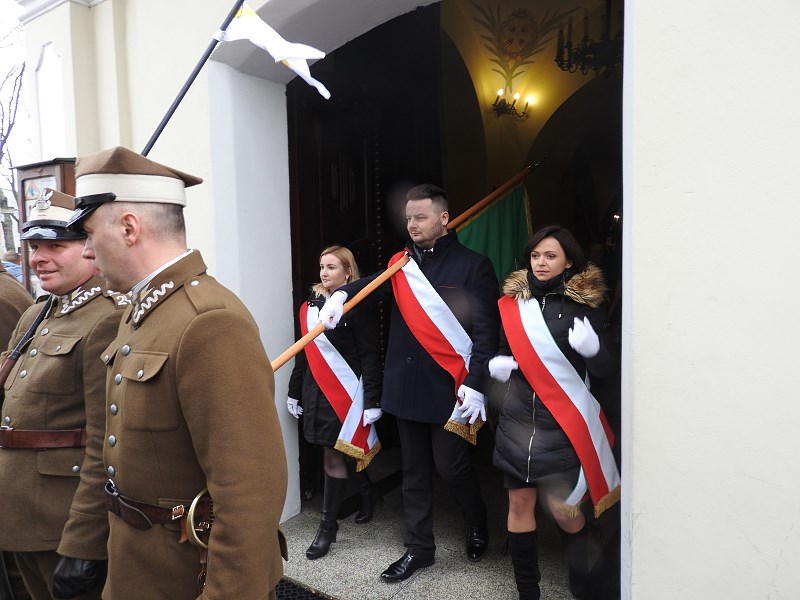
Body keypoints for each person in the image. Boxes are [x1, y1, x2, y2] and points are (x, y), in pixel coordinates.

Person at [66, 146, 288, 600]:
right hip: (139, 568)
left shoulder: (207, 320)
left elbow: (249, 491)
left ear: (129, 228)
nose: (86, 251)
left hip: (188, 576)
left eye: (88, 234)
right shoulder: (144, 312)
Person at [319, 183, 499, 582]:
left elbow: (487, 334)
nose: (412, 225)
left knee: (451, 467)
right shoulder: (402, 264)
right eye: (408, 218)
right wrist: (341, 295)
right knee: (413, 473)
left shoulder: (473, 266)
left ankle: (476, 520)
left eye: (421, 217)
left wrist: (476, 383)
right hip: (405, 386)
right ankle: (419, 549)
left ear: (443, 218)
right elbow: (371, 287)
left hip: (450, 388)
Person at [0, 188, 128, 600]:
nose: (38, 258)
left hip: (61, 521)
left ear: (91, 249)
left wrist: (83, 543)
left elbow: (105, 442)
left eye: (56, 246)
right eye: (35, 247)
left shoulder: (107, 318)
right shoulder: (37, 314)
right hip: (18, 514)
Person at [487, 225, 620, 600]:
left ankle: (586, 582)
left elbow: (607, 371)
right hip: (517, 424)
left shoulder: (586, 307)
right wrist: (493, 369)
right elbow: (502, 353)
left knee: (565, 511)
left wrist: (594, 352)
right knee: (519, 504)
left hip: (562, 426)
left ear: (569, 262)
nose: (540, 263)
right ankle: (527, 591)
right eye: (535, 256)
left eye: (550, 256)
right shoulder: (512, 305)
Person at [287, 244, 383, 560]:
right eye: (322, 267)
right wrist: (294, 390)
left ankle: (327, 528)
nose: (324, 272)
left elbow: (370, 355)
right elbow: (303, 353)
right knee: (339, 448)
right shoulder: (310, 306)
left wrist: (372, 400)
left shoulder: (357, 304)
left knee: (334, 453)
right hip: (315, 391)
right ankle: (368, 492)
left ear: (348, 272)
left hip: (346, 394)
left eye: (331, 267)